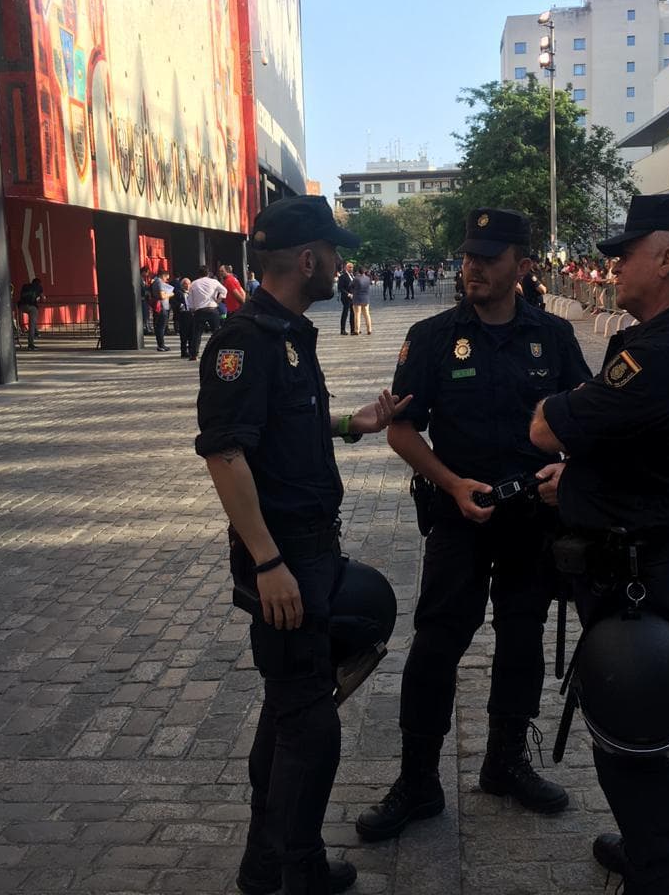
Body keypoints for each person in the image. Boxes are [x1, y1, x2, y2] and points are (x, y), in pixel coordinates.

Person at [356, 207, 592, 842]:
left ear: (522, 263)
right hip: (457, 517)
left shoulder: (553, 337)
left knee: (522, 642)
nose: (473, 267)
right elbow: (402, 430)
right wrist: (452, 484)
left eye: (488, 257)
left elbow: (586, 420)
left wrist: (567, 469)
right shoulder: (432, 337)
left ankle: (505, 762)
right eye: (468, 256)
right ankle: (418, 781)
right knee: (435, 644)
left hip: (529, 523)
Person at [195, 195, 408, 895]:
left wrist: (355, 423)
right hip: (284, 562)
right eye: (336, 253)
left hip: (311, 554)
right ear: (310, 260)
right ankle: (294, 873)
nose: (344, 264)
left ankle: (271, 866)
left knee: (291, 714)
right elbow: (226, 456)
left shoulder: (287, 335)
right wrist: (268, 563)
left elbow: (289, 433)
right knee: (308, 728)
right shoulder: (243, 343)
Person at [528, 193, 669, 895]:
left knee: (633, 708)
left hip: (642, 569)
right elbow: (638, 449)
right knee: (660, 696)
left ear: (667, 258)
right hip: (662, 554)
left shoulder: (664, 350)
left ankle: (659, 872)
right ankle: (661, 846)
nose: (613, 265)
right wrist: (582, 478)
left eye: (626, 252)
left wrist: (559, 432)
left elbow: (546, 429)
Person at [185, 265, 227, 361]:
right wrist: (219, 299)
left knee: (197, 333)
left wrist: (191, 308)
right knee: (216, 332)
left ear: (198, 273)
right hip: (212, 308)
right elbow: (224, 290)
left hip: (200, 310)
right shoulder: (213, 282)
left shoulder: (194, 284)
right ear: (208, 273)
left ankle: (194, 354)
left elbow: (190, 298)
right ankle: (218, 351)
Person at [151, 269, 174, 352]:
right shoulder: (159, 282)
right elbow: (162, 296)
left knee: (160, 327)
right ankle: (161, 345)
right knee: (161, 327)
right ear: (163, 276)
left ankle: (161, 344)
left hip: (160, 307)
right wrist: (170, 294)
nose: (166, 280)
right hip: (161, 307)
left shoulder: (155, 282)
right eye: (166, 278)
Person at [17, 276, 42, 351]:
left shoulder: (25, 286)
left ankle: (36, 332)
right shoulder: (39, 287)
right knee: (32, 324)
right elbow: (43, 297)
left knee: (32, 323)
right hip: (32, 307)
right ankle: (30, 344)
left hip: (21, 306)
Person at [174, 277, 194, 359]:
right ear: (182, 285)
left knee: (191, 334)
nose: (187, 285)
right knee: (184, 335)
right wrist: (180, 305)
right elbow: (173, 302)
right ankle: (183, 351)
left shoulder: (192, 293)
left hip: (191, 314)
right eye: (185, 284)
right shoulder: (178, 293)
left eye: (189, 283)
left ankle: (191, 351)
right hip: (183, 314)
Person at [351, 267, 374, 335]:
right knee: (367, 314)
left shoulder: (356, 279)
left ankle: (357, 330)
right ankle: (369, 329)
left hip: (357, 298)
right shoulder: (368, 278)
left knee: (357, 315)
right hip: (366, 298)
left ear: (358, 272)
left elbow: (351, 286)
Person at [337, 261, 356, 335]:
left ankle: (353, 329)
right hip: (346, 297)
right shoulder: (343, 277)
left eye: (352, 267)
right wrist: (348, 294)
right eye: (350, 267)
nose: (351, 268)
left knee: (353, 313)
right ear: (346, 268)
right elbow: (340, 288)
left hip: (353, 297)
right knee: (345, 313)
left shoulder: (353, 276)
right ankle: (342, 329)